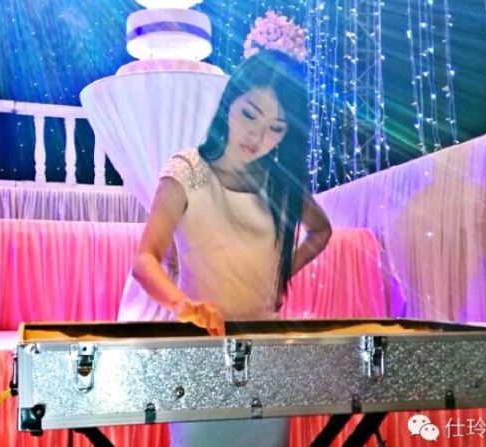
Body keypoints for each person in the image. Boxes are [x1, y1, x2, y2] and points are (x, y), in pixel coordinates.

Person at [130, 49, 332, 447]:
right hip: (200, 352)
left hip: (266, 352)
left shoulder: (279, 182)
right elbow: (144, 259)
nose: (257, 137)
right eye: (250, 115)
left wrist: (280, 275)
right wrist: (184, 305)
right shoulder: (187, 170)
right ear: (230, 102)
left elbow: (321, 231)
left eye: (276, 128)